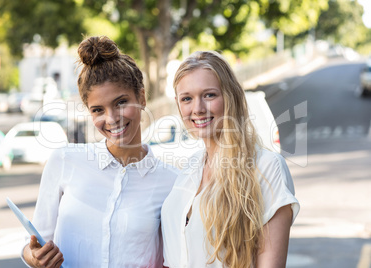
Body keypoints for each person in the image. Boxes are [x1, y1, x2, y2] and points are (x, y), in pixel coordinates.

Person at [21, 36, 178, 268]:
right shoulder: (64, 161)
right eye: (98, 110)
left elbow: (173, 259)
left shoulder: (171, 181)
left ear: (142, 98)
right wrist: (34, 257)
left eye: (121, 102)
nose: (112, 118)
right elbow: (32, 244)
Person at [161, 51, 300, 268]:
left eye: (209, 95)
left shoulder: (266, 166)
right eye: (186, 98)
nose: (197, 109)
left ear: (231, 97)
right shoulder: (189, 169)